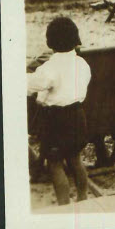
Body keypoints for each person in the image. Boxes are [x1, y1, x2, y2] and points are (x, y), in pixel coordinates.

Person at [26, 17, 91, 205]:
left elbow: (31, 86)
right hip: (78, 116)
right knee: (76, 160)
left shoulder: (49, 67)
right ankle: (83, 199)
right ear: (75, 38)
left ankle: (64, 205)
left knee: (55, 164)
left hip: (56, 120)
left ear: (50, 42)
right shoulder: (82, 64)